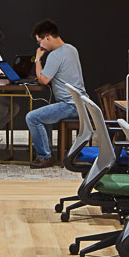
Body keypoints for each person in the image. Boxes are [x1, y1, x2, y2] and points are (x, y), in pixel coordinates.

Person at [25, 19, 85, 168]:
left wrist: (37, 59)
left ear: (47, 37)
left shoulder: (55, 55)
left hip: (70, 105)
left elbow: (43, 80)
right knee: (43, 116)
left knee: (32, 117)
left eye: (40, 41)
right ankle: (46, 151)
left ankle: (45, 156)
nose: (40, 46)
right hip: (82, 103)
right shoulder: (71, 49)